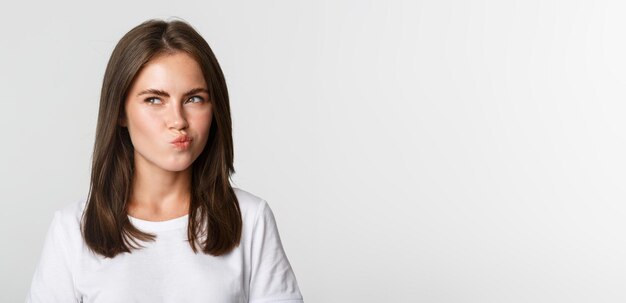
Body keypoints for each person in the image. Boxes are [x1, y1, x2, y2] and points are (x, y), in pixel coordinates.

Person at [25, 18, 303, 302]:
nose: (178, 121)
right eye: (154, 100)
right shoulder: (72, 229)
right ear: (120, 112)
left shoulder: (250, 219)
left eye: (194, 99)